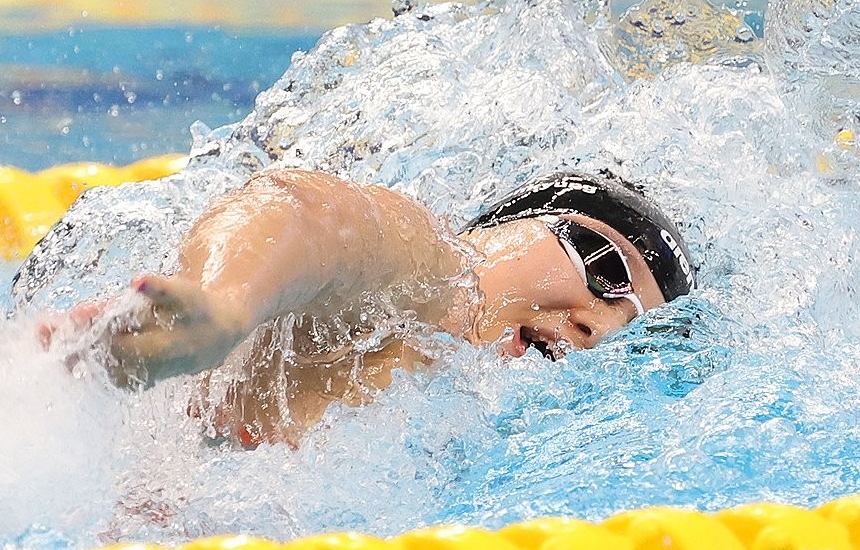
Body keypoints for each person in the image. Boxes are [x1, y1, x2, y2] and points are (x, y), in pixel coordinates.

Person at [58, 165, 697, 448]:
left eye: (632, 331)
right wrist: (224, 309)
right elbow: (301, 211)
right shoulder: (440, 282)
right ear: (501, 226)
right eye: (605, 267)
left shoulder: (459, 421)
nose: (600, 322)